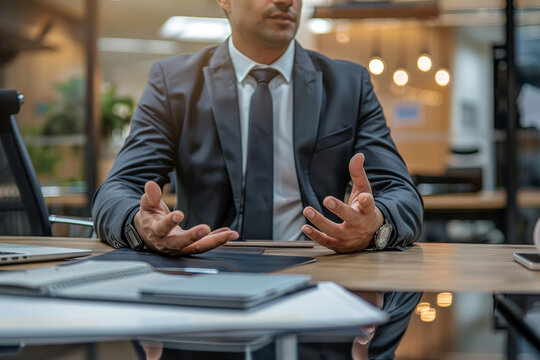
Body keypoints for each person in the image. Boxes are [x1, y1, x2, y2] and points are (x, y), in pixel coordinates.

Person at [92, 0, 423, 358]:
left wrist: (375, 225)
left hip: (323, 288)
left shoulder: (347, 84)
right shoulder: (174, 82)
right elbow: (116, 190)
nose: (286, 1)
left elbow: (401, 194)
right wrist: (139, 225)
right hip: (205, 294)